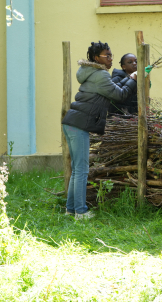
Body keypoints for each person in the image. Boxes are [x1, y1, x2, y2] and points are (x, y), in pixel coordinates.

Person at [61, 41, 137, 220]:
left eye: (111, 55)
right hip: (79, 125)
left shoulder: (91, 73)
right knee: (81, 169)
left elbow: (115, 88)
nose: (110, 59)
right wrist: (133, 79)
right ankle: (80, 211)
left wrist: (130, 78)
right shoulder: (101, 75)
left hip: (72, 123)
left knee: (77, 168)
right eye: (107, 56)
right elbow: (119, 95)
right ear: (97, 58)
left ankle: (71, 209)